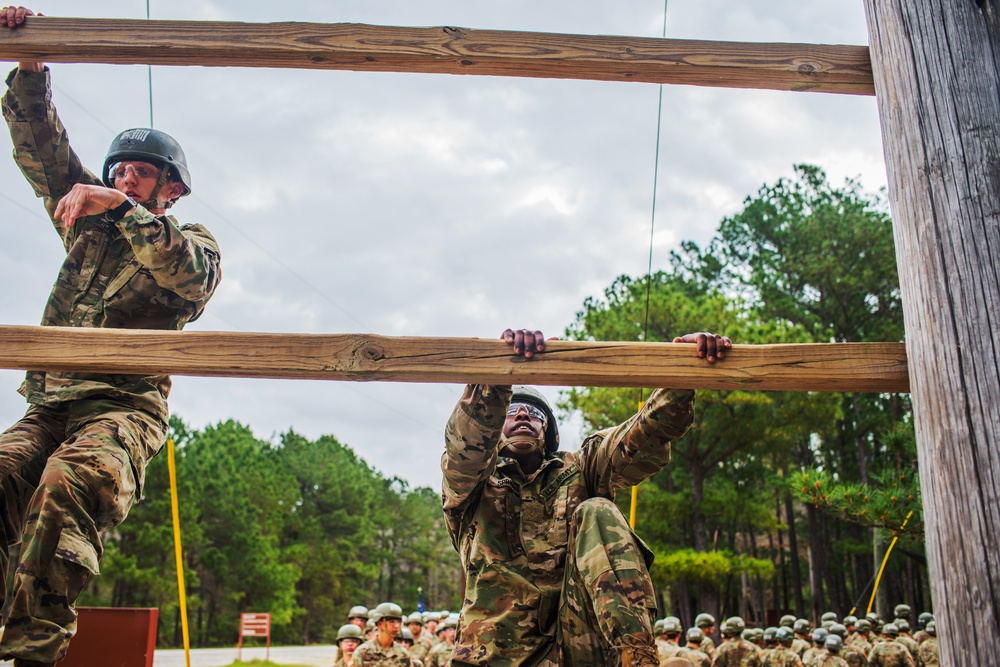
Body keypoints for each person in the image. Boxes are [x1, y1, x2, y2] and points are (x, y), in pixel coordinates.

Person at [0, 7, 221, 666]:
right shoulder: (85, 224)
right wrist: (33, 60)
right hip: (52, 399)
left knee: (71, 482)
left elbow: (192, 277)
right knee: (4, 473)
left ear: (170, 189)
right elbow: (41, 146)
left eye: (141, 173)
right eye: (116, 170)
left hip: (123, 404)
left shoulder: (188, 238)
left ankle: (32, 650)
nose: (124, 178)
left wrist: (118, 207)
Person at [442, 328, 730, 667]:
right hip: (494, 652)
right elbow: (466, 445)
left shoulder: (580, 467)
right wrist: (500, 371)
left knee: (597, 510)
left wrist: (681, 374)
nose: (523, 415)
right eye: (513, 409)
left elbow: (641, 436)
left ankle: (636, 656)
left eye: (535, 414)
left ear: (547, 430)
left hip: (577, 645)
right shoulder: (472, 483)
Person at [353, 602, 411, 666]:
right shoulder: (363, 652)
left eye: (398, 622)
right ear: (380, 624)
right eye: (391, 622)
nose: (396, 625)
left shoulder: (403, 654)